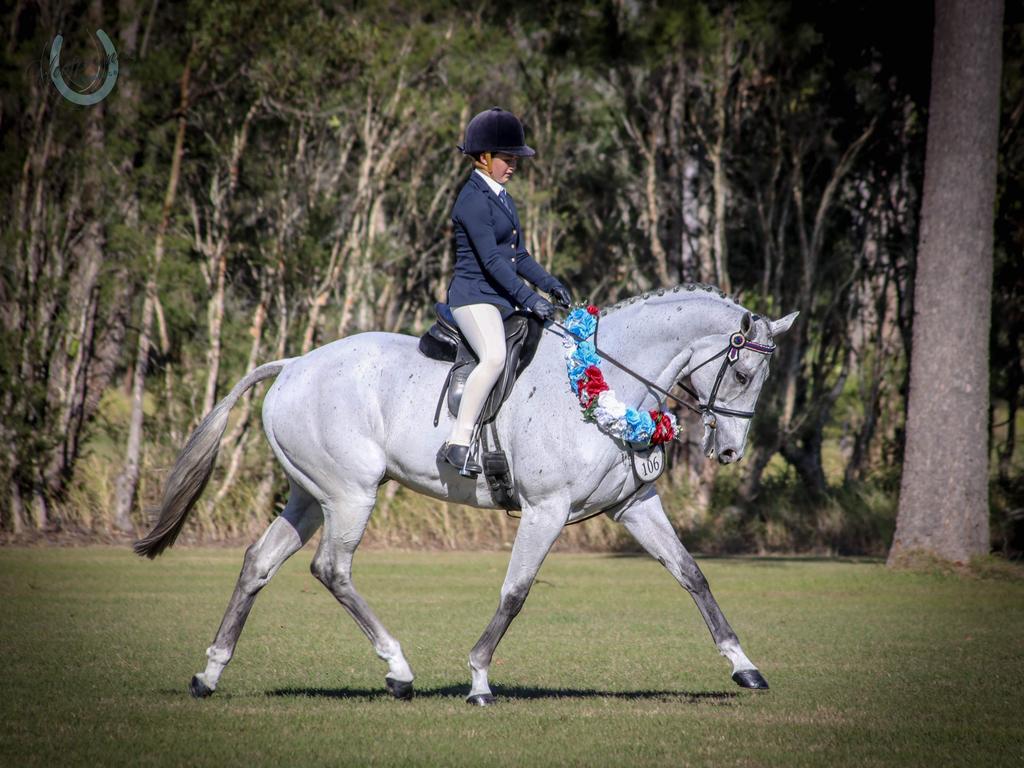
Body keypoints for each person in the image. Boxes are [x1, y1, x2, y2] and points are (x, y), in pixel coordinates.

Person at [440, 107, 572, 476]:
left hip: (499, 296)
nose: (513, 165)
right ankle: (458, 442)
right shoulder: (472, 200)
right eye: (506, 159)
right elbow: (492, 263)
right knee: (495, 356)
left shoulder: (502, 197)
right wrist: (530, 299)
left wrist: (550, 284)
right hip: (473, 297)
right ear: (483, 158)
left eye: (515, 159)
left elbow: (518, 257)